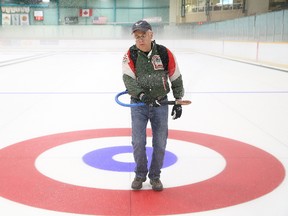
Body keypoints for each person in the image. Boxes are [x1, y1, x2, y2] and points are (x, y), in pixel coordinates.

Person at [122, 20, 184, 191]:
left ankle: (155, 176)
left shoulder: (164, 53)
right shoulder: (131, 54)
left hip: (161, 104)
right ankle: (140, 174)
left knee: (160, 142)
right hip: (139, 105)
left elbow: (176, 77)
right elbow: (128, 79)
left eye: (143, 35)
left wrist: (178, 101)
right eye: (137, 37)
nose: (140, 40)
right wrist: (142, 96)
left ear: (151, 34)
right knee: (138, 142)